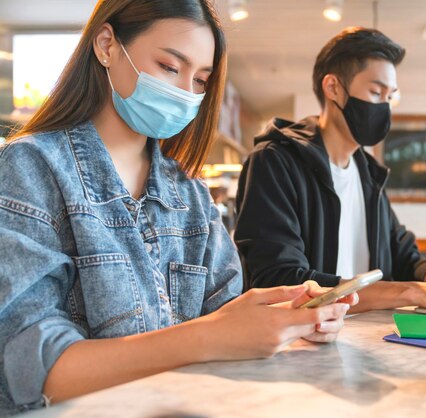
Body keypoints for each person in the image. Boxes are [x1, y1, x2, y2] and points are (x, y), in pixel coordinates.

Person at [0, 1, 354, 415]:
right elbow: (34, 372)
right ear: (107, 45)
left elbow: (223, 315)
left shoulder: (190, 194)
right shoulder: (30, 168)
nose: (186, 92)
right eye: (170, 67)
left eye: (201, 79)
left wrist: (288, 320)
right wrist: (209, 336)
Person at [234, 27, 426, 313]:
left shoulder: (369, 174)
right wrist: (413, 293)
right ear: (333, 87)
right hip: (299, 350)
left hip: (367, 344)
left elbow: (407, 259)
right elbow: (278, 282)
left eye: (389, 97)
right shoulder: (275, 162)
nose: (383, 107)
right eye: (375, 93)